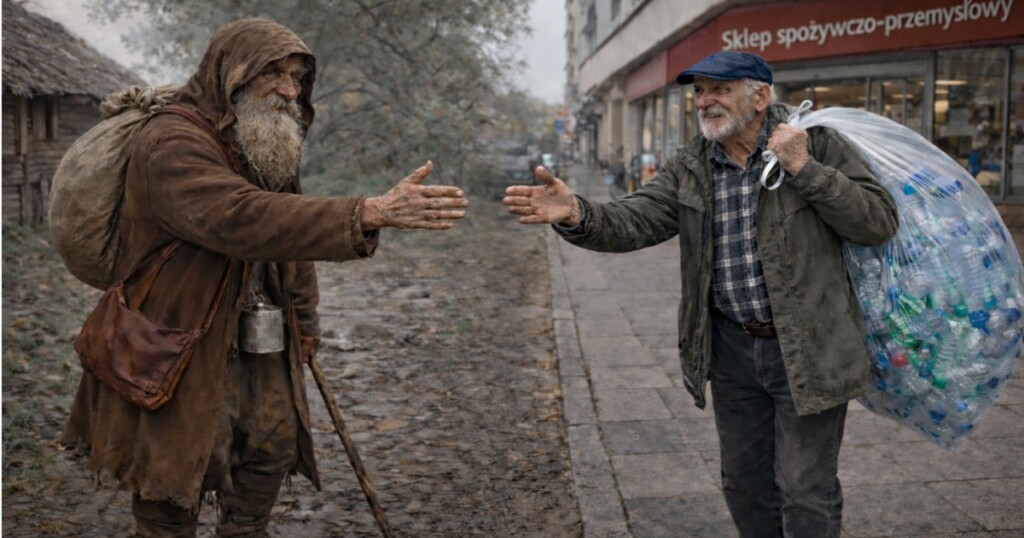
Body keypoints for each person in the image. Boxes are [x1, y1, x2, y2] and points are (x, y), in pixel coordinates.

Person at [60, 18, 468, 537]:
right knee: (170, 489)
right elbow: (239, 216)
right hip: (172, 347)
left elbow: (288, 240)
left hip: (260, 346)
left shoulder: (262, 139)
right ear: (232, 71)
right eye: (271, 73)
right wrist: (365, 212)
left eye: (296, 76)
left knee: (268, 458)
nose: (288, 89)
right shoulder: (171, 142)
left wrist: (305, 319)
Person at [504, 50, 898, 537]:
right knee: (743, 482)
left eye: (719, 89)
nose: (705, 101)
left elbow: (877, 222)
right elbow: (635, 220)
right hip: (731, 350)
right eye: (698, 92)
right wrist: (575, 214)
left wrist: (806, 169)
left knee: (804, 488)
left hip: (809, 347)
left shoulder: (814, 143)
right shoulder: (692, 164)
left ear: (759, 96)